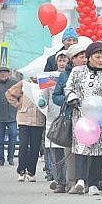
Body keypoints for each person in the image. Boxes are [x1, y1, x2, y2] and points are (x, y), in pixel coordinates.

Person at [65, 42, 102, 196]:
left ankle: (94, 183)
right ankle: (80, 180)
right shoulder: (77, 72)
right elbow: (68, 88)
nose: (101, 60)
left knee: (98, 150)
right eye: (97, 57)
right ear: (89, 57)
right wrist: (73, 98)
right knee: (81, 147)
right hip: (81, 116)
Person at [52, 42, 88, 192]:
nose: (84, 59)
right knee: (70, 151)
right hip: (70, 116)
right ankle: (71, 182)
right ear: (72, 59)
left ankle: (85, 181)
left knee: (86, 150)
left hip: (87, 117)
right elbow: (56, 96)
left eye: (86, 56)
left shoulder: (90, 72)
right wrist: (68, 100)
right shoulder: (64, 75)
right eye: (81, 57)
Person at [6, 75, 47, 182]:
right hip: (24, 118)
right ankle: (21, 170)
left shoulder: (44, 84)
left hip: (38, 119)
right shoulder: (24, 84)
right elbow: (9, 94)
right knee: (23, 145)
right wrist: (19, 105)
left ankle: (31, 172)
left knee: (35, 147)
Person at [40, 50, 69, 193]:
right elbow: (44, 96)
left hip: (69, 118)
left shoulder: (71, 76)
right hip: (53, 119)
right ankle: (59, 181)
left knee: (68, 151)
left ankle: (70, 180)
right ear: (57, 62)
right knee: (55, 151)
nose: (63, 63)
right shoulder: (49, 78)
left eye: (65, 61)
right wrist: (41, 101)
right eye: (60, 61)